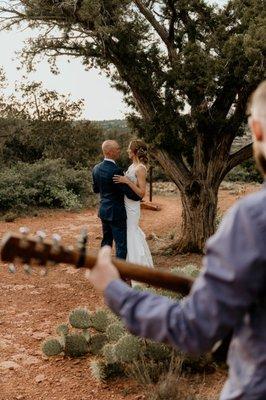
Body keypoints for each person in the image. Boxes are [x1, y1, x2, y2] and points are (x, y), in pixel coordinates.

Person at [87, 81, 266, 400]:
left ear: (255, 129)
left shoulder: (253, 219)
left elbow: (195, 328)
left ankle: (125, 274)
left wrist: (115, 292)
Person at [92, 140, 142, 260]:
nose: (120, 150)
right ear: (110, 152)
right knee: (121, 245)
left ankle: (103, 267)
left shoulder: (96, 168)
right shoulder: (116, 171)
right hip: (116, 213)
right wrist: (138, 196)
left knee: (106, 242)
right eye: (117, 149)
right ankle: (121, 274)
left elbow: (95, 190)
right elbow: (131, 195)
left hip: (104, 211)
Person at [112, 139, 153, 268]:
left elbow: (142, 193)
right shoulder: (132, 166)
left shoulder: (141, 168)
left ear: (134, 151)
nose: (127, 150)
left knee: (131, 232)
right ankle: (130, 265)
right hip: (126, 203)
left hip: (133, 207)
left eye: (129, 148)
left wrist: (127, 181)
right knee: (128, 232)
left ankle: (136, 268)